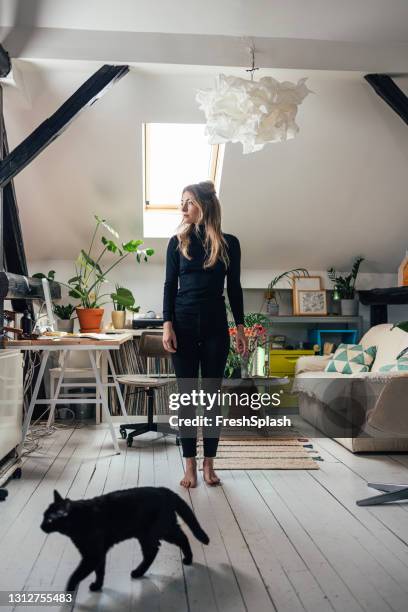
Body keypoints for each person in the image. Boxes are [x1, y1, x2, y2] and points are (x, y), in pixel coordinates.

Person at [162, 180, 247, 488]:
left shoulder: (230, 243)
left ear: (204, 206)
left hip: (215, 326)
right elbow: (170, 286)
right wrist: (167, 325)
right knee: (186, 397)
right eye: (181, 202)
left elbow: (234, 288)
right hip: (183, 326)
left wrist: (239, 327)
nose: (182, 208)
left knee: (210, 397)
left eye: (188, 202)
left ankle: (209, 463)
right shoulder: (177, 242)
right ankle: (190, 466)